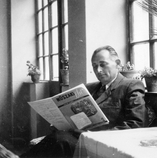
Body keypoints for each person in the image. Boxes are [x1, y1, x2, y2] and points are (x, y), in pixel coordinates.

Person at [17, 45, 149, 158]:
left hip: (102, 143)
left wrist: (95, 136)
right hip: (79, 137)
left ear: (118, 63)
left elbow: (136, 124)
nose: (98, 70)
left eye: (103, 65)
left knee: (60, 141)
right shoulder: (89, 88)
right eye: (95, 66)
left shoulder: (131, 85)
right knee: (58, 137)